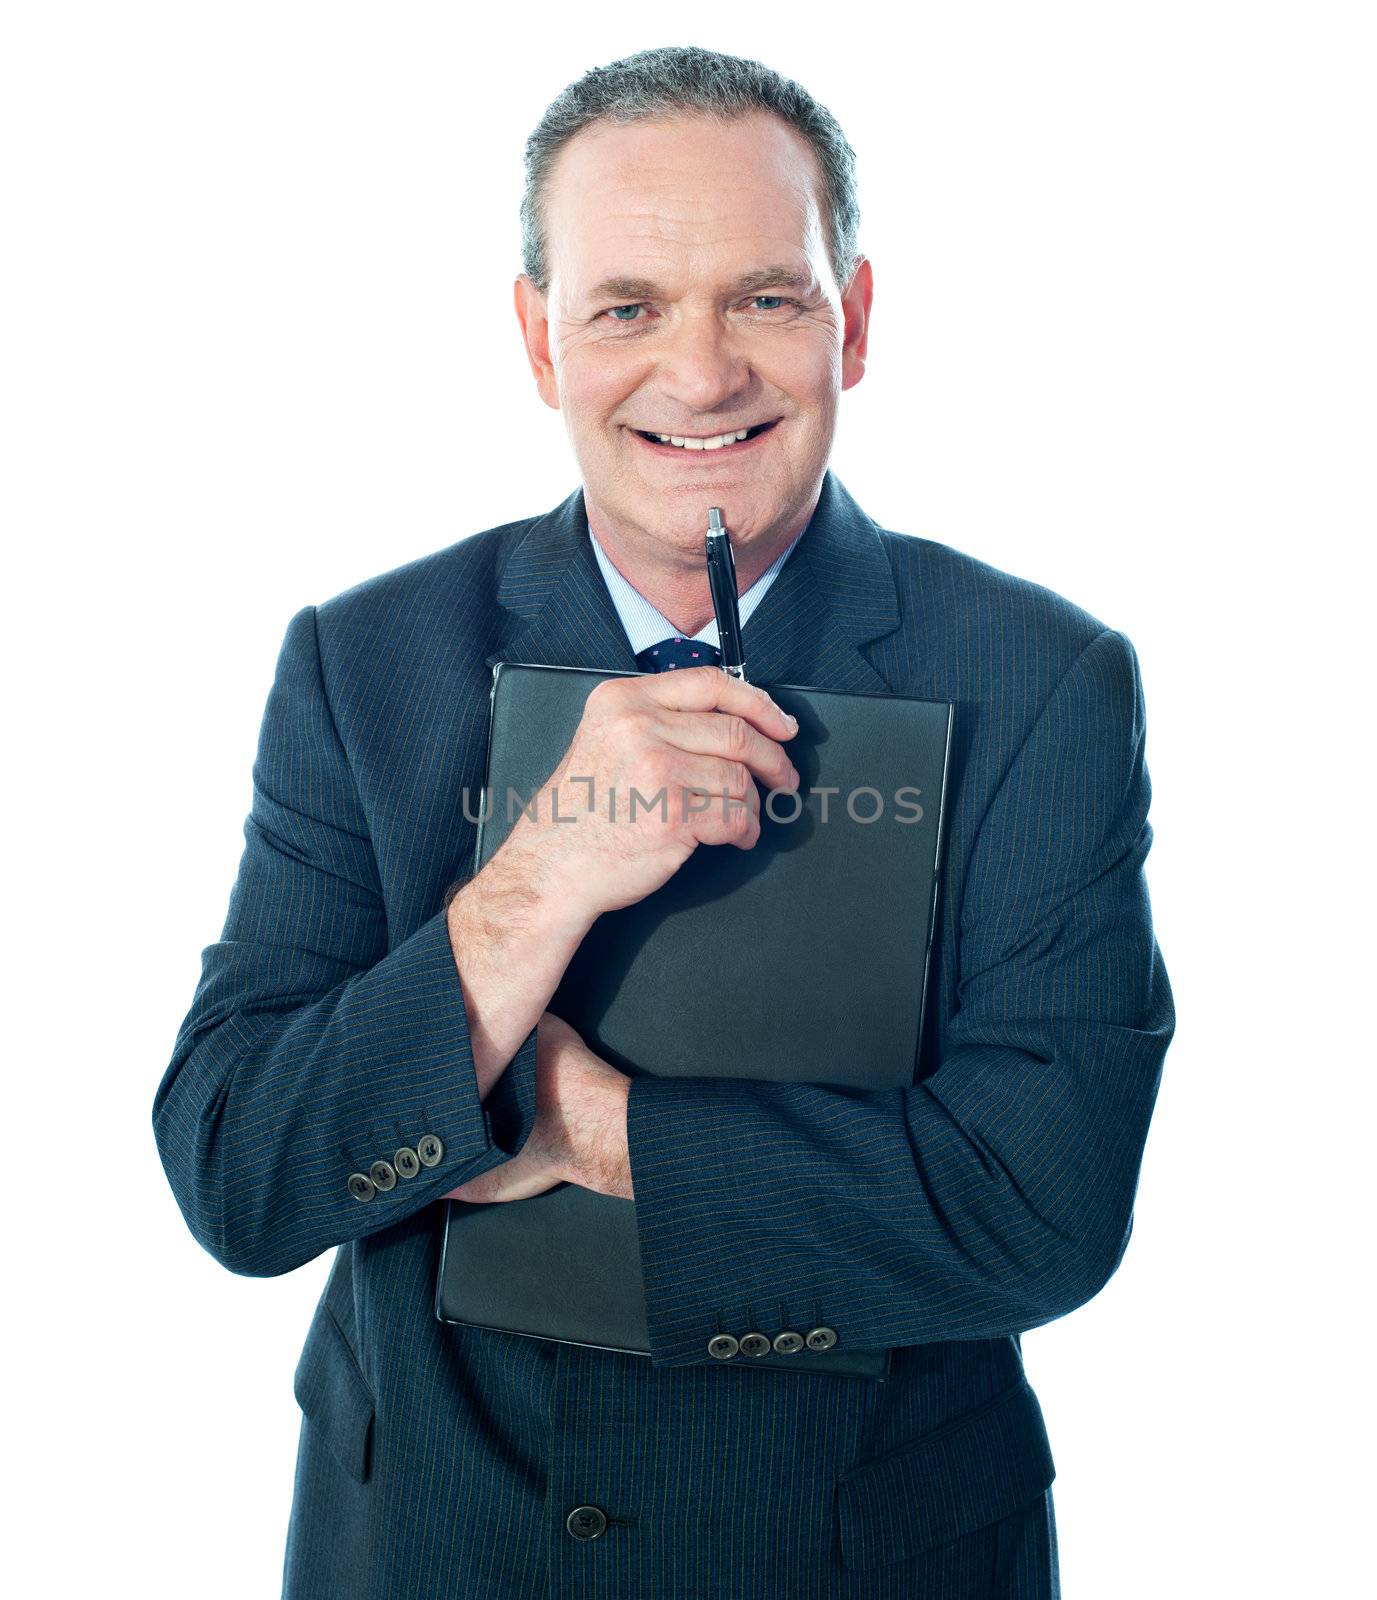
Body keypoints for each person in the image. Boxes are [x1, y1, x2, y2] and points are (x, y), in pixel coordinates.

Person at [153, 44, 1173, 1600]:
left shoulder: (1037, 680)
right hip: (436, 1546)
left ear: (858, 319)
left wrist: (593, 1130)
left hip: (856, 1560)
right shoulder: (367, 663)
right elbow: (239, 1172)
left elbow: (1041, 1211)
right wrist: (532, 886)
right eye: (625, 308)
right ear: (539, 340)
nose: (700, 377)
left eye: (766, 298)